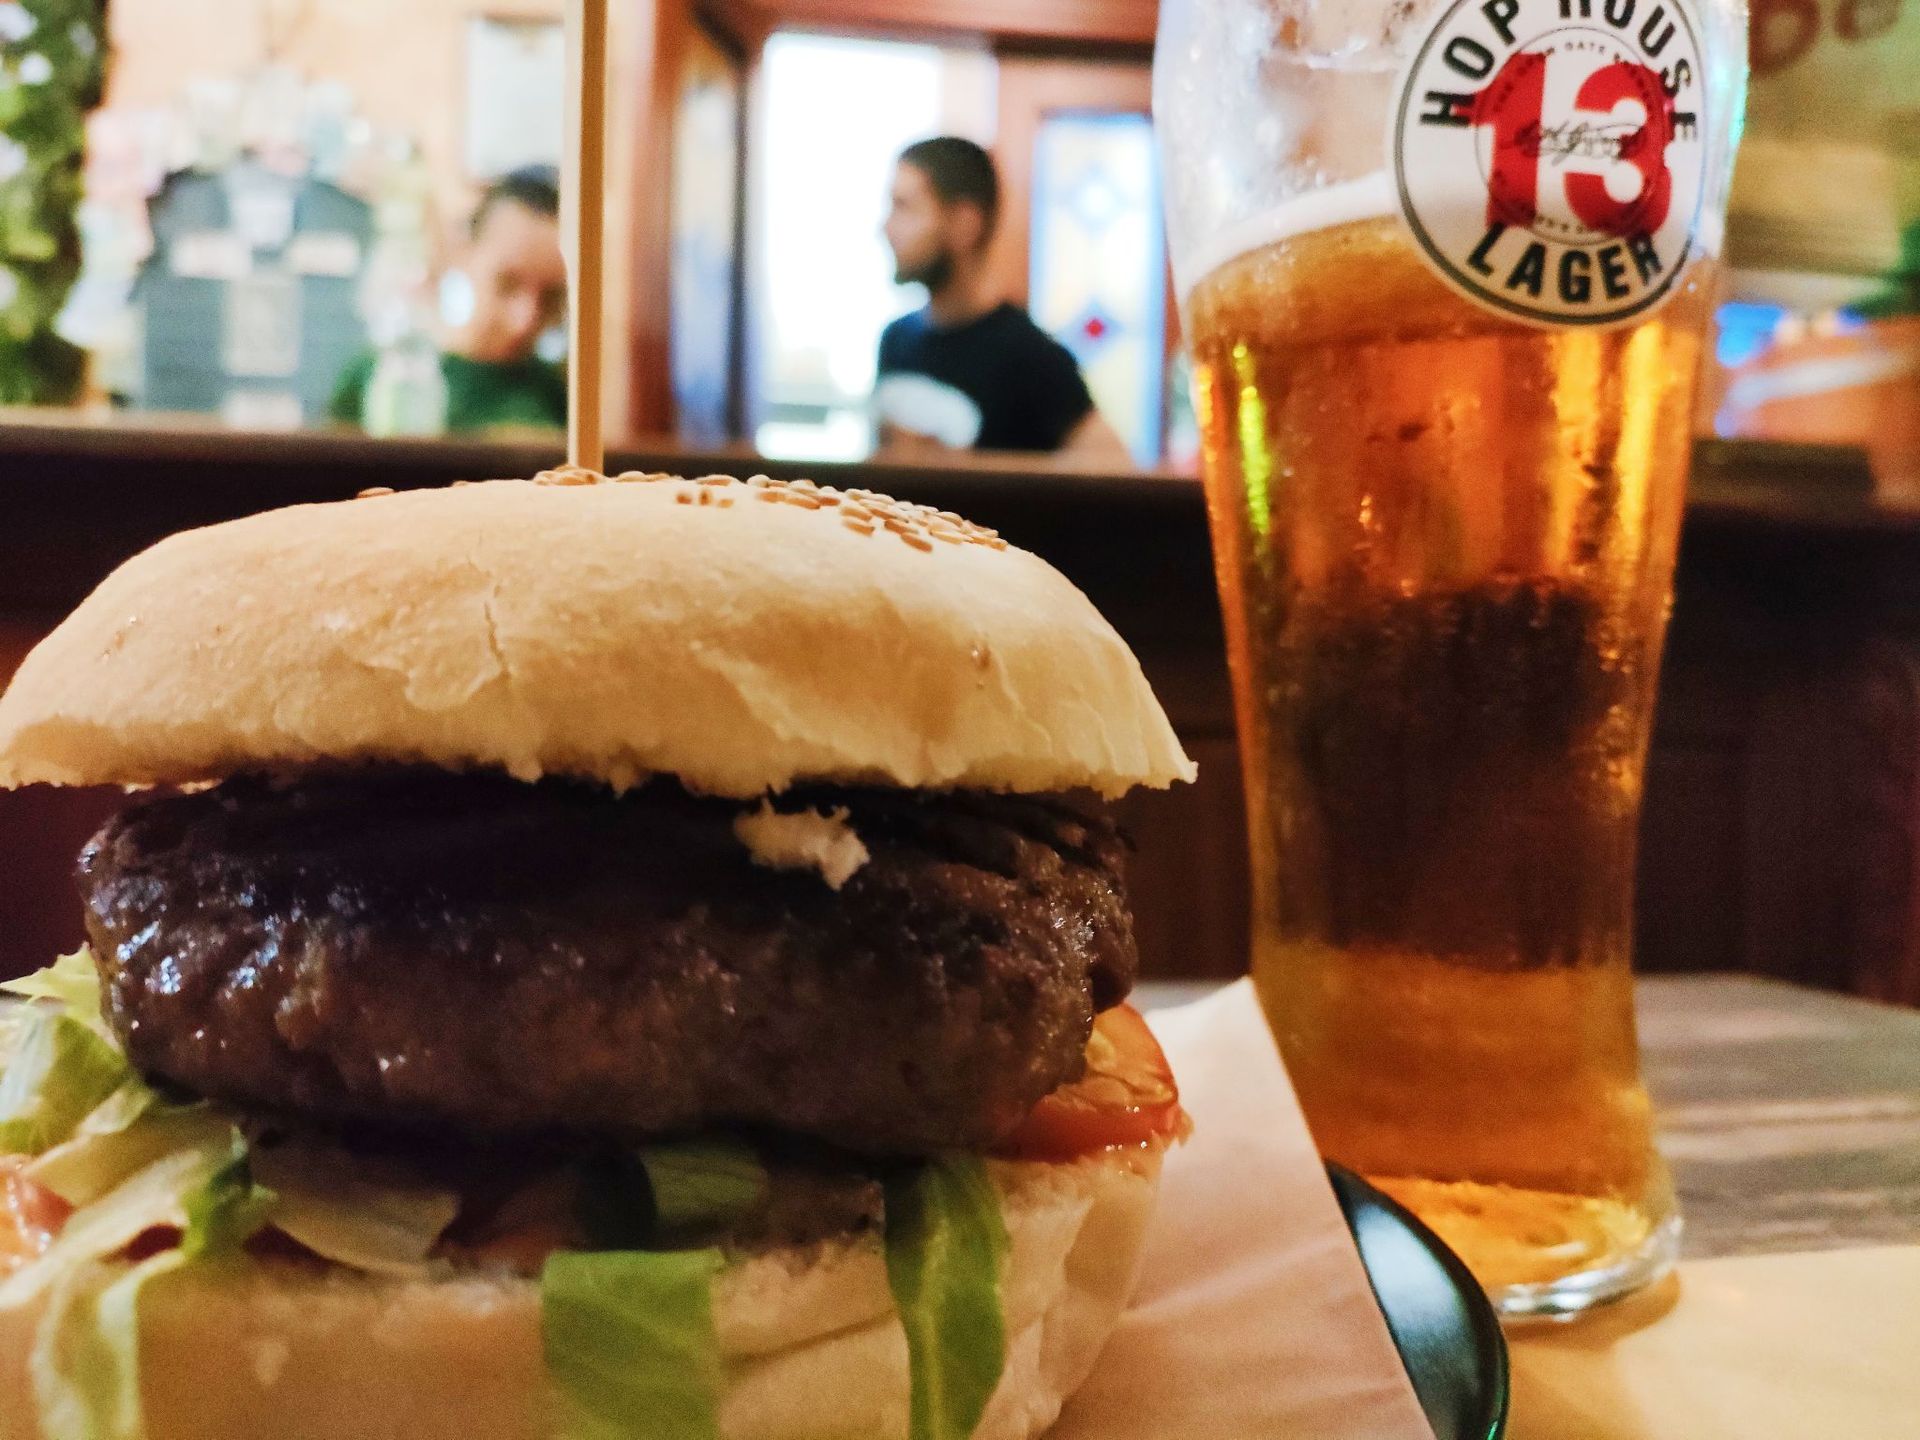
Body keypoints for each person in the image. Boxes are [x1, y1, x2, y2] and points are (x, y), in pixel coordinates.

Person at [876, 137, 1128, 460]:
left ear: (964, 224)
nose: (885, 227)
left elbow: (1115, 468)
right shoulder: (894, 341)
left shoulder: (1031, 356)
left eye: (904, 207)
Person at [331, 166, 569, 434]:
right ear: (464, 252)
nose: (524, 319)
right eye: (507, 284)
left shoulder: (559, 394)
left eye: (550, 297)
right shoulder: (377, 375)